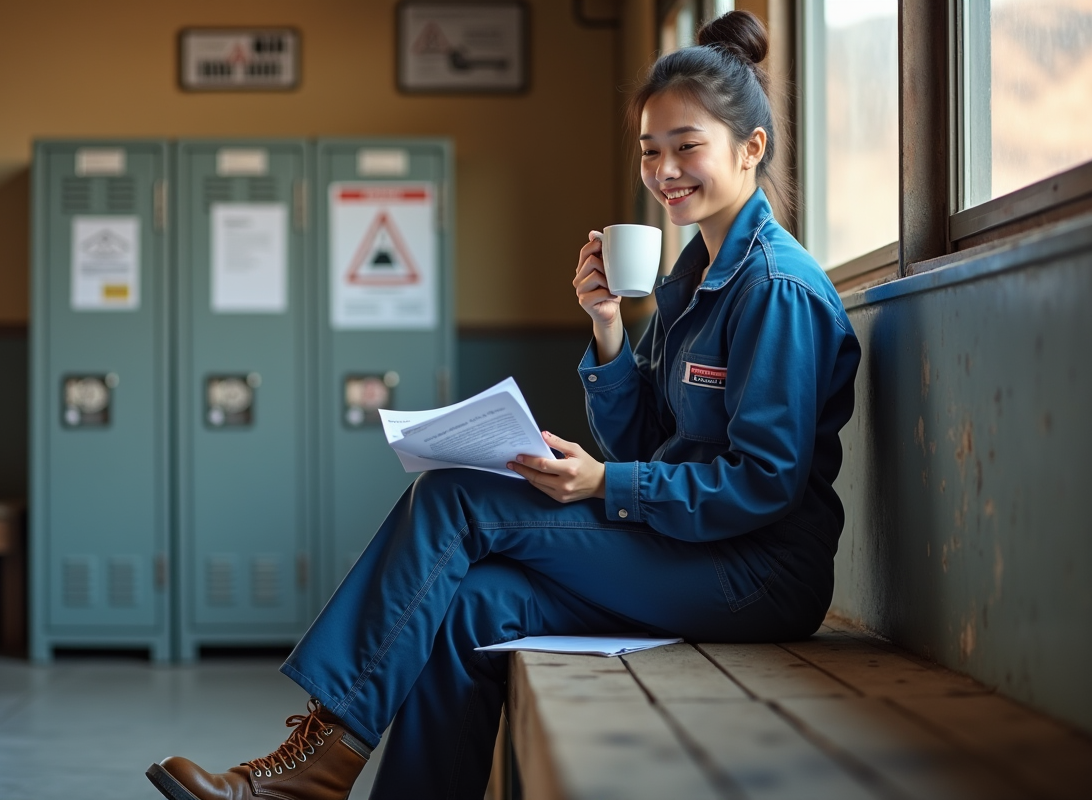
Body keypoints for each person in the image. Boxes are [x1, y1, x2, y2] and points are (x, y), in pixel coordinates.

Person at [146, 10, 860, 800]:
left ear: (750, 147)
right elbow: (651, 437)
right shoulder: (694, 277)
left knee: (455, 501)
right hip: (694, 547)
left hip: (755, 574)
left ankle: (316, 765)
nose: (664, 171)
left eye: (686, 146)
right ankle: (339, 778)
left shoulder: (776, 288)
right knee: (476, 610)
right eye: (651, 151)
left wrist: (605, 487)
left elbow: (763, 483)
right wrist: (609, 330)